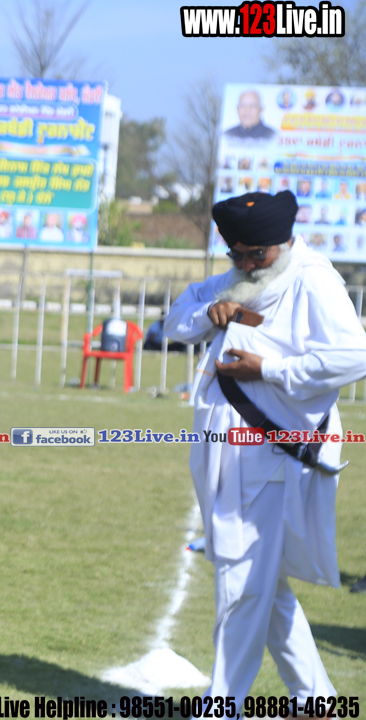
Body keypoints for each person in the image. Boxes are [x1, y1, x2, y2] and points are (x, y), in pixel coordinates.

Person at [164, 190, 366, 699]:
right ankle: (315, 699)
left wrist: (270, 370)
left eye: (258, 255)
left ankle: (222, 705)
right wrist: (212, 312)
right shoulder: (237, 278)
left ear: (282, 242)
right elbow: (175, 321)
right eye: (238, 255)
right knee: (261, 582)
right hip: (226, 452)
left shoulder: (312, 279)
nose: (249, 265)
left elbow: (354, 356)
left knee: (241, 581)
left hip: (271, 454)